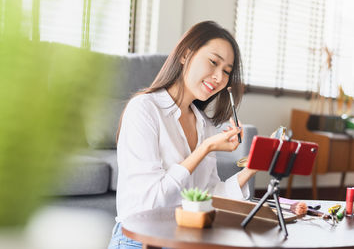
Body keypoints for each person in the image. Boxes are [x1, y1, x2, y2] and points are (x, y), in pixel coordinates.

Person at [108, 21, 257, 249]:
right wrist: (204, 148)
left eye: (226, 71)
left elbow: (208, 196)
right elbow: (150, 204)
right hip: (140, 240)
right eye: (213, 62)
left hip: (183, 240)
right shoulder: (144, 110)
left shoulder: (203, 124)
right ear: (186, 55)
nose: (218, 77)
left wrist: (254, 166)